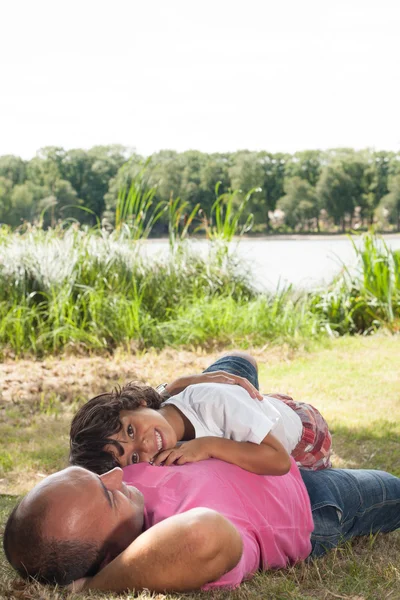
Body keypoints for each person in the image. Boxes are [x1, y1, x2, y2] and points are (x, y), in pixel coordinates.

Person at [3, 460, 400, 593]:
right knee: (392, 488)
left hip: (267, 458)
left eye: (95, 475)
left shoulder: (114, 494)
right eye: (109, 495)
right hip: (312, 499)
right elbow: (204, 535)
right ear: (111, 556)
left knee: (236, 363)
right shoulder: (165, 550)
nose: (117, 474)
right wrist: (96, 586)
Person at [69, 352, 332, 475]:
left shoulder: (211, 401)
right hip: (249, 417)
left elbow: (279, 462)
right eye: (134, 456)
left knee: (238, 372)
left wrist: (208, 446)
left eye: (130, 430)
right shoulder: (164, 433)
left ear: (138, 403)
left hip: (303, 440)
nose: (147, 445)